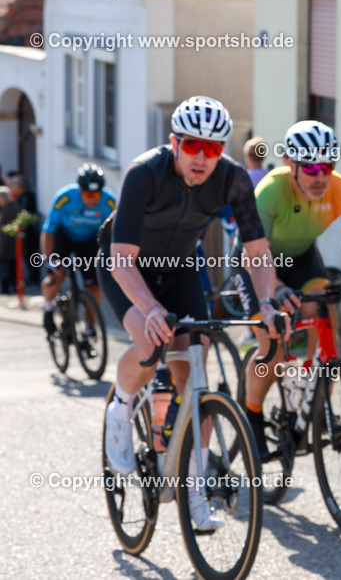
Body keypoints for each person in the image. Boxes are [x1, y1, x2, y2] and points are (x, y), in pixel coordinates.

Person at [99, 95, 287, 531]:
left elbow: (257, 251)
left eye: (213, 148)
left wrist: (266, 303)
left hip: (182, 269)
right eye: (192, 146)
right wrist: (148, 309)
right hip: (127, 266)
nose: (202, 157)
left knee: (195, 374)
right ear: (174, 143)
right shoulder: (145, 173)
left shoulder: (233, 180)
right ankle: (121, 409)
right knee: (150, 341)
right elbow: (120, 258)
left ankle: (195, 493)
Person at [236, 120, 341, 461]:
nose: (320, 176)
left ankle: (317, 402)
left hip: (301, 258)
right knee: (274, 346)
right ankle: (251, 416)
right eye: (310, 167)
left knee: (324, 312)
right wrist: (276, 289)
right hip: (255, 261)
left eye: (327, 166)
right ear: (289, 164)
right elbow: (255, 255)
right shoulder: (270, 191)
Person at [40, 164, 116, 336]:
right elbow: (49, 230)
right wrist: (50, 260)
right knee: (55, 276)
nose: (91, 199)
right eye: (87, 194)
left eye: (96, 194)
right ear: (80, 190)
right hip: (63, 238)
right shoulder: (65, 198)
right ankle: (48, 308)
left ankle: (89, 327)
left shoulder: (109, 201)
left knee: (94, 287)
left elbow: (115, 233)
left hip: (90, 241)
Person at [6, 173, 40, 285]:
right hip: (24, 233)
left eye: (13, 185)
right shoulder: (21, 197)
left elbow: (24, 214)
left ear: (19, 185)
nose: (11, 188)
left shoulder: (27, 196)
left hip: (29, 233)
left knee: (31, 257)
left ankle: (34, 279)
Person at [0, 186, 18, 293]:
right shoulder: (13, 207)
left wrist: (1, 250)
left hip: (7, 247)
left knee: (6, 269)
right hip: (12, 247)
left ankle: (7, 289)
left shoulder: (8, 209)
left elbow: (3, 233)